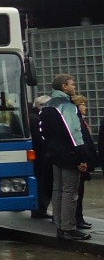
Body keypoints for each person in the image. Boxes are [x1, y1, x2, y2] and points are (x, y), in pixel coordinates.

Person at [37, 74, 91, 241]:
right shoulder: (67, 106)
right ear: (64, 87)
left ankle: (60, 225)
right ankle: (68, 228)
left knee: (57, 190)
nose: (74, 87)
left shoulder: (47, 106)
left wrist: (53, 148)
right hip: (70, 154)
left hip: (54, 154)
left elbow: (42, 131)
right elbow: (75, 133)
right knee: (70, 192)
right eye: (72, 84)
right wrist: (82, 157)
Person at [72, 93, 97, 230]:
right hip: (80, 161)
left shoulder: (81, 120)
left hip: (85, 160)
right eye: (82, 104)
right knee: (77, 192)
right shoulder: (77, 121)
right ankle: (77, 219)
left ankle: (79, 218)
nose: (85, 107)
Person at [29, 95, 52, 219]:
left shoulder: (32, 117)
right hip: (41, 156)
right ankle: (40, 209)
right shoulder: (37, 119)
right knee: (43, 182)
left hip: (38, 155)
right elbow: (40, 139)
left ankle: (39, 208)